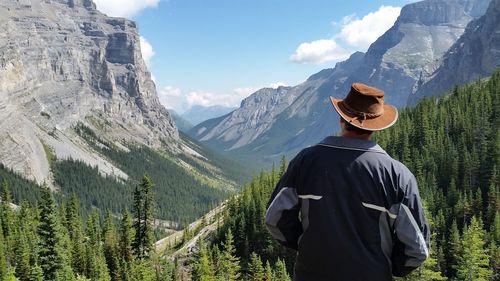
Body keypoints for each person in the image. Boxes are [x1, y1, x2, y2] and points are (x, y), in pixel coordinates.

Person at [265, 83, 429, 281]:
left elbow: (274, 218)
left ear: (342, 118)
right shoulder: (397, 175)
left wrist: (304, 243)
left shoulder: (306, 161)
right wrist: (386, 266)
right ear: (376, 126)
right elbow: (417, 248)